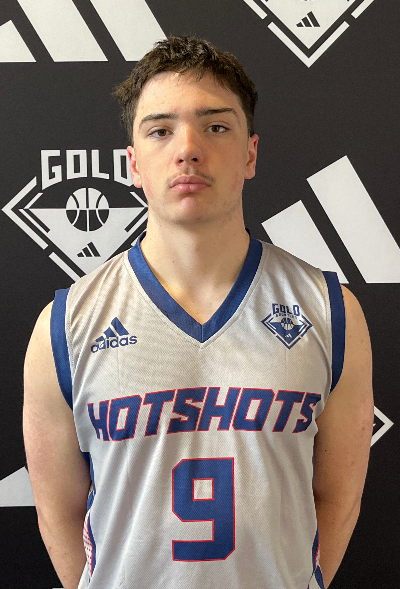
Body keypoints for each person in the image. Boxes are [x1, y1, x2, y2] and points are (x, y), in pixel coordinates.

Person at [23, 36, 373, 589]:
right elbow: (59, 514)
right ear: (134, 165)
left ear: (250, 154)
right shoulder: (66, 325)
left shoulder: (330, 311)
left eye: (215, 127)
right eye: (161, 130)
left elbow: (338, 497)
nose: (187, 148)